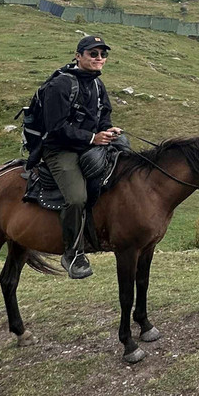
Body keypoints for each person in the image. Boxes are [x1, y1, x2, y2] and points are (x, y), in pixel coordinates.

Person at [38, 35, 122, 278]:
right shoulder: (60, 85)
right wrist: (92, 138)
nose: (99, 58)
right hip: (60, 149)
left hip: (87, 147)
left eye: (103, 54)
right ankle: (72, 253)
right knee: (76, 198)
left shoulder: (97, 85)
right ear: (78, 56)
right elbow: (55, 127)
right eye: (93, 54)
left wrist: (108, 131)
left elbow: (104, 115)